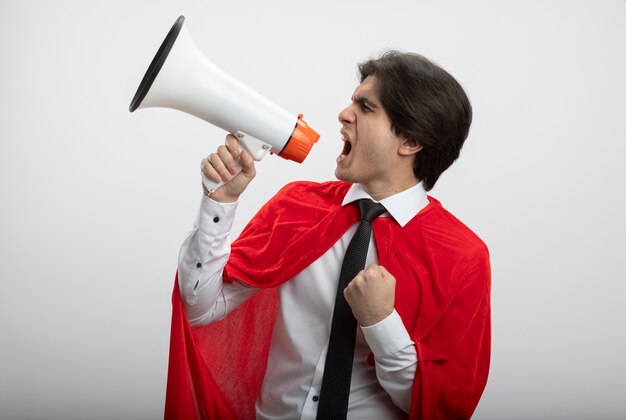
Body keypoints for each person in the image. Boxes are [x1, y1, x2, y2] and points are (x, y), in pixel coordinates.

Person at [167, 51, 491, 420]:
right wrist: (219, 204)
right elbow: (201, 309)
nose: (343, 113)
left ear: (410, 141)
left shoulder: (463, 257)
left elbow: (443, 409)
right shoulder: (297, 206)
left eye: (366, 107)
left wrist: (380, 322)